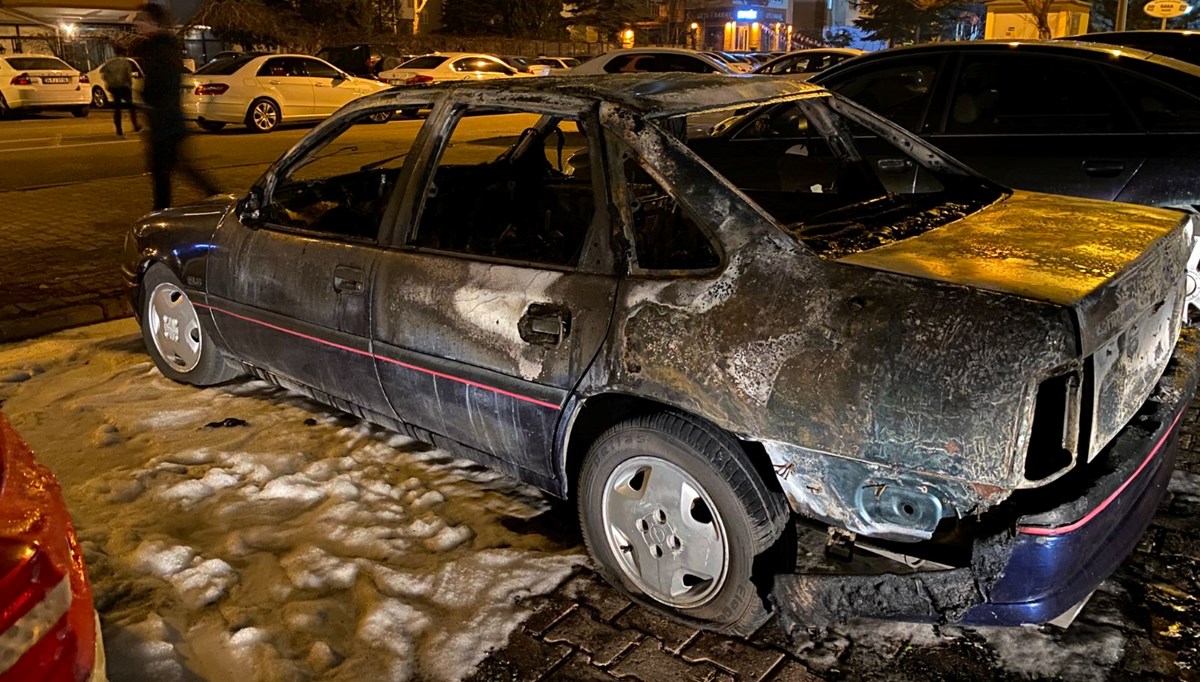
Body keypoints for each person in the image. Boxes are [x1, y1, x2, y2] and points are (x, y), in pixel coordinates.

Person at [134, 2, 219, 210]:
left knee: (164, 171)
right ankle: (214, 196)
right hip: (165, 121)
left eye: (141, 20)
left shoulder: (161, 47)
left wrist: (147, 97)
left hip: (166, 121)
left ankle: (164, 211)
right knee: (174, 169)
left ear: (153, 22)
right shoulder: (161, 45)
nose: (137, 24)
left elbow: (163, 81)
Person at [100, 51, 139, 136]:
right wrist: (130, 84)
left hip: (114, 87)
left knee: (117, 109)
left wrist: (108, 83)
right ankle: (135, 125)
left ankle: (119, 129)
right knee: (131, 106)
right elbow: (128, 75)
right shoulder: (125, 63)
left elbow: (103, 73)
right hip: (124, 86)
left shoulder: (110, 62)